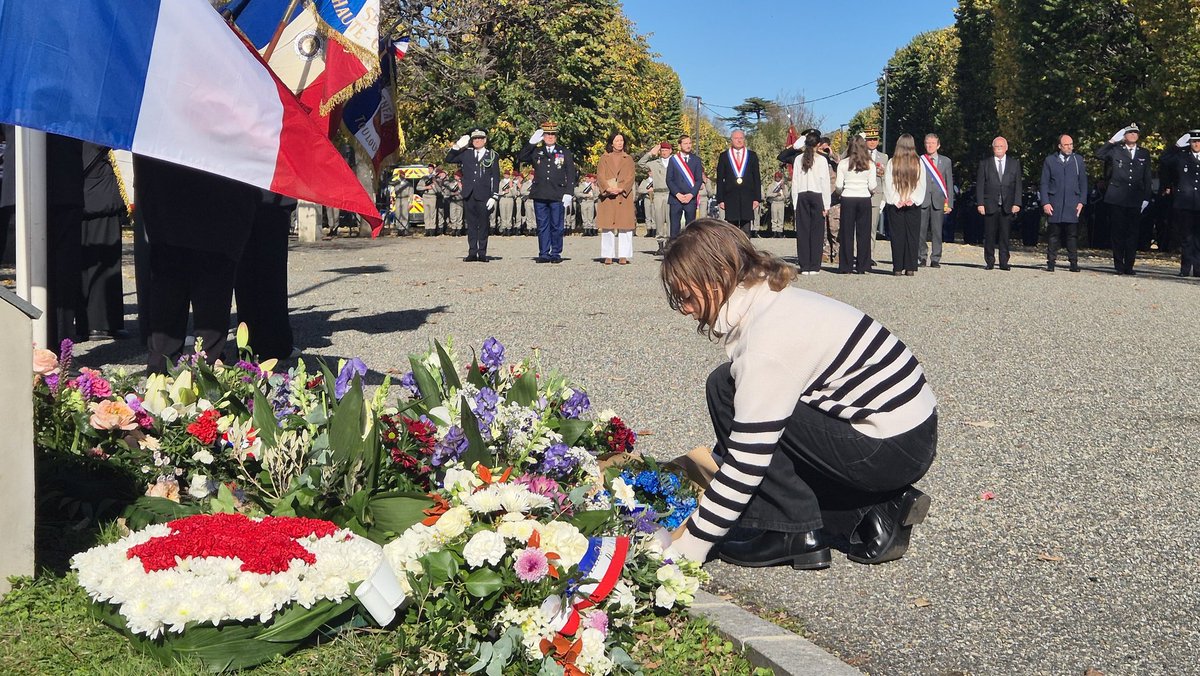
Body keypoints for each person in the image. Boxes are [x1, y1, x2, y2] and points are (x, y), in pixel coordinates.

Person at [660, 219, 937, 569]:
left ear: (716, 279)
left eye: (686, 295)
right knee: (726, 384)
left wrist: (691, 546)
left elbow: (748, 461)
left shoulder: (768, 341)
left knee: (728, 394)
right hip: (906, 432)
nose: (685, 309)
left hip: (888, 447)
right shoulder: (775, 298)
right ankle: (872, 512)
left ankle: (791, 532)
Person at [134, 155, 258, 373]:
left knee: (173, 277)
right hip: (215, 181)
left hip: (173, 180)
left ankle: (167, 368)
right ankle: (202, 368)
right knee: (199, 278)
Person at [235, 191, 297, 359]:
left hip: (242, 193)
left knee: (245, 274)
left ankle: (248, 343)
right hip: (272, 196)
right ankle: (274, 343)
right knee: (271, 273)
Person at [79, 142, 128, 340]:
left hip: (87, 193)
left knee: (92, 262)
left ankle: (97, 323)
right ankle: (100, 323)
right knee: (104, 261)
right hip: (98, 192)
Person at [1096, 124, 1152, 275]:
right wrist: (1112, 140)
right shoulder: (1116, 150)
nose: (1133, 135)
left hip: (1135, 197)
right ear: (1124, 136)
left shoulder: (1144, 153)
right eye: (1130, 133)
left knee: (1132, 233)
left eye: (1135, 133)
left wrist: (1146, 197)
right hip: (1117, 197)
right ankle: (1119, 265)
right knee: (1118, 232)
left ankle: (1130, 265)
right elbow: (1099, 154)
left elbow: (1147, 177)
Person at [519, 121, 577, 263]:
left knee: (557, 225)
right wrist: (531, 143)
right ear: (543, 136)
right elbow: (521, 157)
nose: (550, 137)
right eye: (547, 134)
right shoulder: (537, 152)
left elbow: (570, 173)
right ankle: (544, 252)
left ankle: (556, 252)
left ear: (556, 136)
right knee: (542, 225)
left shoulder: (564, 152)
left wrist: (569, 192)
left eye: (552, 134)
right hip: (540, 193)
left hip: (558, 193)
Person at [778, 129, 830, 275]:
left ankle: (805, 265)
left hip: (801, 196)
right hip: (817, 195)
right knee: (817, 231)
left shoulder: (798, 158)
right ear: (818, 144)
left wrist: (795, 203)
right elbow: (824, 183)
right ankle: (814, 265)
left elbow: (795, 182)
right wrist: (826, 205)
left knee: (803, 231)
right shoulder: (822, 160)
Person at [445, 129, 501, 262]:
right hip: (469, 194)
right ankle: (472, 252)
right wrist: (457, 146)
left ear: (485, 140)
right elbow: (449, 159)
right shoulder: (466, 154)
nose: (477, 141)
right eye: (475, 139)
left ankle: (482, 252)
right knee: (470, 225)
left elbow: (495, 177)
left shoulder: (492, 155)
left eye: (480, 138)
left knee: (483, 225)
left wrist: (494, 196)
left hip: (484, 195)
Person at [1039, 134, 1088, 272]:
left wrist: (1081, 202)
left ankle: (1073, 263)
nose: (1069, 147)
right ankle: (1051, 262)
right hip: (1055, 203)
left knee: (1072, 235)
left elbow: (1083, 183)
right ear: (1059, 146)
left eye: (1071, 144)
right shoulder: (1050, 161)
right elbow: (1044, 183)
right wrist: (1045, 202)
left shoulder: (1078, 160)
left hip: (1072, 203)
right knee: (1054, 235)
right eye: (1066, 145)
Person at [975, 137, 1022, 270]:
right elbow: (980, 185)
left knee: (1005, 235)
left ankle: (1004, 262)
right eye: (997, 146)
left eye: (1001, 146)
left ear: (1006, 148)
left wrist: (1017, 203)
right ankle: (990, 261)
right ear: (993, 148)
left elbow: (1018, 185)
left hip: (1008, 204)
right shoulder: (985, 163)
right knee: (989, 235)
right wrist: (980, 203)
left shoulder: (1014, 163)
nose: (999, 148)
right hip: (990, 204)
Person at [884, 134, 926, 276]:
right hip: (912, 204)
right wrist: (912, 199)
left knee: (897, 236)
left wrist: (897, 199)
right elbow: (921, 184)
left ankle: (897, 267)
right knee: (912, 235)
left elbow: (888, 184)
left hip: (897, 204)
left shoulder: (892, 162)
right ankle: (910, 267)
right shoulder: (918, 162)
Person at [836, 135, 879, 274]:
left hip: (848, 198)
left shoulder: (843, 163)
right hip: (864, 198)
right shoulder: (870, 164)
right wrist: (870, 190)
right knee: (864, 233)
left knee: (847, 233)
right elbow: (873, 185)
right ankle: (863, 265)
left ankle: (846, 266)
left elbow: (838, 185)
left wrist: (841, 191)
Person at [1161, 130, 1200, 277]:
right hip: (1185, 203)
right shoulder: (1181, 157)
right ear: (1189, 143)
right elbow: (1164, 159)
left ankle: (1198, 269)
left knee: (1198, 238)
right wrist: (1176, 146)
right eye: (1194, 141)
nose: (1196, 144)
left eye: (1199, 142)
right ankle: (1185, 269)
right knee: (1186, 238)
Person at [595, 133, 637, 265]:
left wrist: (622, 188)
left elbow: (631, 177)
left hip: (623, 195)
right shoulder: (604, 158)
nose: (620, 143)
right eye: (617, 140)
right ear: (611, 143)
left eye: (622, 140)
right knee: (607, 226)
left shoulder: (628, 158)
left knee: (625, 226)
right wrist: (607, 188)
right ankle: (608, 255)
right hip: (608, 196)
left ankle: (623, 255)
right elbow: (600, 175)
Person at [715, 130, 762, 237]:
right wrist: (720, 199)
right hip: (730, 197)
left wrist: (757, 198)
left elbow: (757, 178)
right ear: (731, 140)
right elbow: (720, 179)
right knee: (732, 228)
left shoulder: (752, 155)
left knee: (746, 227)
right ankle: (733, 252)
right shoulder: (724, 156)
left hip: (748, 196)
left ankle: (746, 251)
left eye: (741, 138)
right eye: (736, 138)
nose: (739, 140)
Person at [918, 134, 954, 268]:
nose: (930, 145)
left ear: (938, 145)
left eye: (932, 143)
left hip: (939, 200)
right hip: (923, 199)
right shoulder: (920, 160)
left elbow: (949, 182)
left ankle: (935, 258)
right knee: (921, 230)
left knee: (937, 231)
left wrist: (949, 203)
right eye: (927, 143)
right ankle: (921, 256)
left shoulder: (946, 161)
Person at [666, 135, 705, 244]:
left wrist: (691, 195)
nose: (688, 146)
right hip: (675, 199)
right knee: (674, 228)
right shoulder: (673, 160)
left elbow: (698, 180)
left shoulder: (696, 160)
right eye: (685, 143)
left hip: (690, 199)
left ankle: (689, 252)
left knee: (690, 228)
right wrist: (677, 194)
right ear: (680, 145)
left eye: (689, 143)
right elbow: (669, 180)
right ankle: (673, 251)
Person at [639, 142, 672, 239]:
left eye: (666, 150)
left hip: (670, 193)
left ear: (670, 151)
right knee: (658, 219)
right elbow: (641, 163)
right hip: (658, 193)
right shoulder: (655, 163)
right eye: (662, 150)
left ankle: (670, 243)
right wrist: (650, 153)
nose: (664, 152)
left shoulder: (675, 162)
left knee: (671, 219)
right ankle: (660, 243)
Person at [818, 137, 840, 264]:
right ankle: (825, 252)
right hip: (821, 197)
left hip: (834, 199)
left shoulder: (834, 160)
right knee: (823, 228)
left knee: (834, 227)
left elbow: (841, 162)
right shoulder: (817, 160)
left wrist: (830, 153)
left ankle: (836, 252)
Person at [864, 127, 888, 239]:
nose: (872, 142)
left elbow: (885, 180)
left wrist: (884, 199)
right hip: (861, 194)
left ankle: (870, 255)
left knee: (872, 228)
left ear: (878, 141)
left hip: (876, 196)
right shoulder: (859, 155)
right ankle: (856, 254)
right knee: (858, 227)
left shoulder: (883, 157)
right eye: (869, 139)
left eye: (874, 139)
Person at [765, 171, 788, 237]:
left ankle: (780, 232)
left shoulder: (784, 185)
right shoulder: (771, 186)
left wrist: (783, 189)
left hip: (781, 202)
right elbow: (768, 194)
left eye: (779, 177)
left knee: (781, 218)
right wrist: (776, 194)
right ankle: (774, 232)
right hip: (774, 203)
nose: (778, 178)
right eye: (776, 177)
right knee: (774, 218)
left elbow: (787, 195)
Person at [498, 170, 518, 236]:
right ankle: (503, 228)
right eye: (505, 174)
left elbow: (515, 193)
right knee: (503, 214)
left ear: (509, 175)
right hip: (503, 198)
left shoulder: (512, 183)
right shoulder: (501, 182)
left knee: (509, 215)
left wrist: (511, 187)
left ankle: (509, 228)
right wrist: (504, 192)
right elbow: (498, 192)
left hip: (510, 198)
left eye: (507, 174)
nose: (506, 175)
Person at [445, 171, 464, 236]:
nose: (455, 177)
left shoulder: (463, 183)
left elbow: (465, 192)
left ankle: (459, 230)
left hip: (460, 201)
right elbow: (447, 192)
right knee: (453, 215)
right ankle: (453, 229)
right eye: (455, 176)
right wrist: (453, 194)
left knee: (459, 215)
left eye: (456, 176)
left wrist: (460, 186)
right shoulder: (452, 183)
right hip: (453, 200)